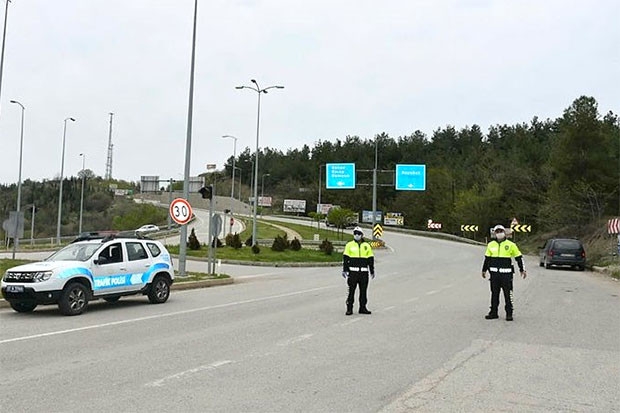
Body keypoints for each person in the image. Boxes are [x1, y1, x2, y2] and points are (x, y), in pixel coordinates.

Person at [481, 225, 527, 321]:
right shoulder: (491, 245)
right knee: (494, 294)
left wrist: (522, 269)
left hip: (506, 275)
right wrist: (484, 270)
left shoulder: (511, 245)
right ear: (495, 233)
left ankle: (509, 313)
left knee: (508, 294)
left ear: (504, 232)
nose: (499, 233)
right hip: (494, 275)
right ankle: (493, 312)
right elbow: (487, 259)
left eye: (501, 231)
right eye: (497, 231)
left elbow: (519, 257)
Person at [342, 226, 375, 315]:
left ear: (362, 235)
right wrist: (345, 270)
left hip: (364, 272)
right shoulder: (349, 245)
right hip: (353, 272)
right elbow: (345, 258)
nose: (357, 235)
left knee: (363, 291)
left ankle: (362, 307)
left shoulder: (366, 245)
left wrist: (372, 270)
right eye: (355, 233)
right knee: (351, 291)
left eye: (358, 234)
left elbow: (370, 259)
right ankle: (349, 308)